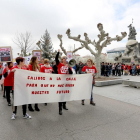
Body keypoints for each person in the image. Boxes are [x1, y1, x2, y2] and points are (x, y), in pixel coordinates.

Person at [55, 49, 73, 115]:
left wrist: (68, 67)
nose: (65, 59)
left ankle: (64, 105)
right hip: (61, 83)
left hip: (67, 83)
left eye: (66, 58)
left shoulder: (69, 66)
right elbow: (56, 59)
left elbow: (71, 74)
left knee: (65, 95)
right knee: (61, 96)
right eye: (64, 58)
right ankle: (60, 109)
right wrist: (58, 52)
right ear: (62, 60)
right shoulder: (60, 65)